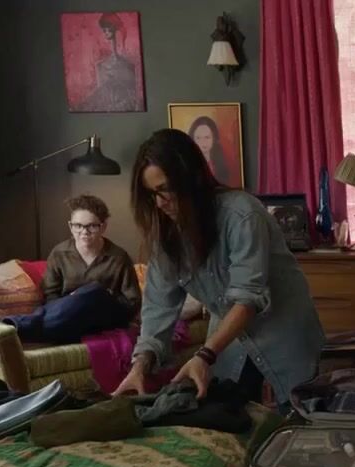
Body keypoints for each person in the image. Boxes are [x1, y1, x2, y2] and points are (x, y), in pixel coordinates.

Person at [112, 129, 324, 403]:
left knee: (298, 415)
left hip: (284, 333)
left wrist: (204, 355)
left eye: (165, 190)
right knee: (228, 416)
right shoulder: (166, 237)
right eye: (152, 193)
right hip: (227, 341)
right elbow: (158, 308)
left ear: (191, 179)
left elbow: (247, 300)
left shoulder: (242, 214)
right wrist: (140, 365)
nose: (160, 203)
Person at [41, 195, 141, 316]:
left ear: (103, 227)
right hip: (67, 314)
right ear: (70, 226)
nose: (84, 232)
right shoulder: (59, 254)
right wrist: (71, 302)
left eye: (92, 226)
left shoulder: (119, 257)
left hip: (104, 316)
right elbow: (49, 295)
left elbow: (132, 301)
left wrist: (100, 301)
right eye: (78, 226)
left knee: (94, 291)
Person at [187, 116, 231, 186]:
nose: (203, 142)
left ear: (214, 139)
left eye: (207, 137)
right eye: (198, 138)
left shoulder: (220, 163)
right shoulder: (187, 165)